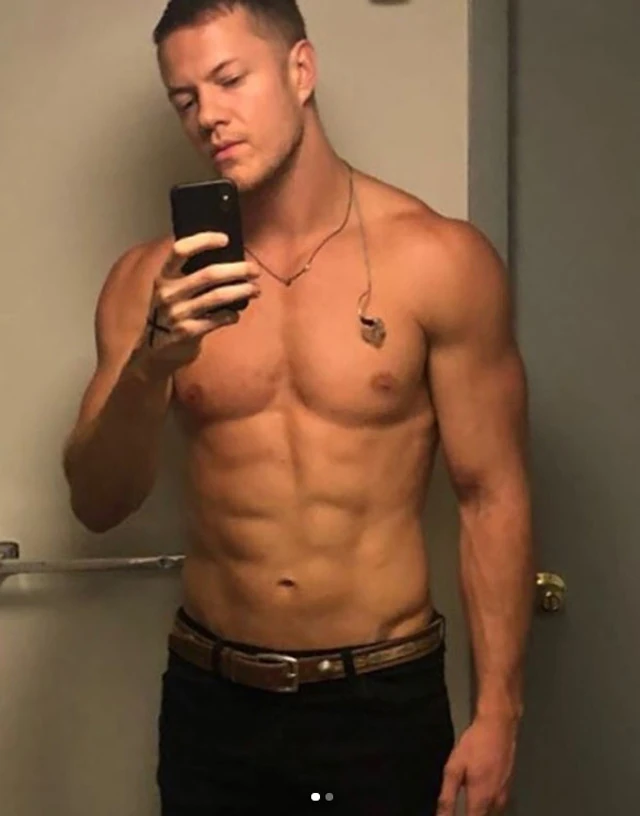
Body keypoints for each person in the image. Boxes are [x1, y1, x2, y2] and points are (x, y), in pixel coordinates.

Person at [62, 1, 534, 814]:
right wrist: (151, 364)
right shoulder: (149, 285)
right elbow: (97, 504)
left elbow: (490, 495)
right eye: (185, 98)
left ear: (301, 70)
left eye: (229, 79)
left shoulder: (437, 260)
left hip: (380, 699)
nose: (208, 115)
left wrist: (500, 712)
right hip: (214, 700)